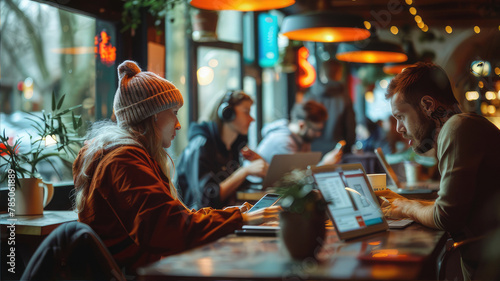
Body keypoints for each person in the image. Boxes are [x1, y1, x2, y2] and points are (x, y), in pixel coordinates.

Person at [73, 61, 278, 274]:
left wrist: (230, 216)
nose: (178, 124)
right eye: (174, 112)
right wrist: (242, 219)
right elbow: (169, 229)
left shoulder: (126, 156)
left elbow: (174, 220)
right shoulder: (124, 160)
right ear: (153, 116)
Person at [377, 62, 500, 280]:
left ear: (427, 105)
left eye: (400, 116)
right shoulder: (460, 127)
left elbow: (446, 217)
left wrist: (406, 206)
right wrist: (401, 202)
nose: (399, 129)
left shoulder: (457, 128)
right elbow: (454, 207)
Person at [176, 90, 268, 210]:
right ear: (228, 113)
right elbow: (206, 200)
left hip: (222, 218)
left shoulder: (232, 147)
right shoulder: (201, 145)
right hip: (200, 223)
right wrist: (244, 171)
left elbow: (237, 187)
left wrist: (259, 165)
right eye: (246, 112)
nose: (252, 119)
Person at [256, 100, 343, 165]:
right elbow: (296, 179)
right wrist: (325, 164)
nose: (318, 134)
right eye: (315, 130)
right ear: (301, 125)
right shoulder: (283, 141)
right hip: (254, 186)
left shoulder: (302, 138)